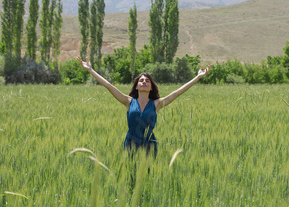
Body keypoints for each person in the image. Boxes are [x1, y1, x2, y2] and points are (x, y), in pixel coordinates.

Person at [77, 56, 211, 158]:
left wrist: (197, 77)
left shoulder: (157, 104)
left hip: (149, 145)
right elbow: (109, 86)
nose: (144, 82)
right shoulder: (128, 101)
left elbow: (178, 92)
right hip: (130, 144)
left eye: (147, 81)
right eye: (141, 81)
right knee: (130, 178)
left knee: (147, 179)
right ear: (136, 86)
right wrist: (90, 70)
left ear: (151, 86)